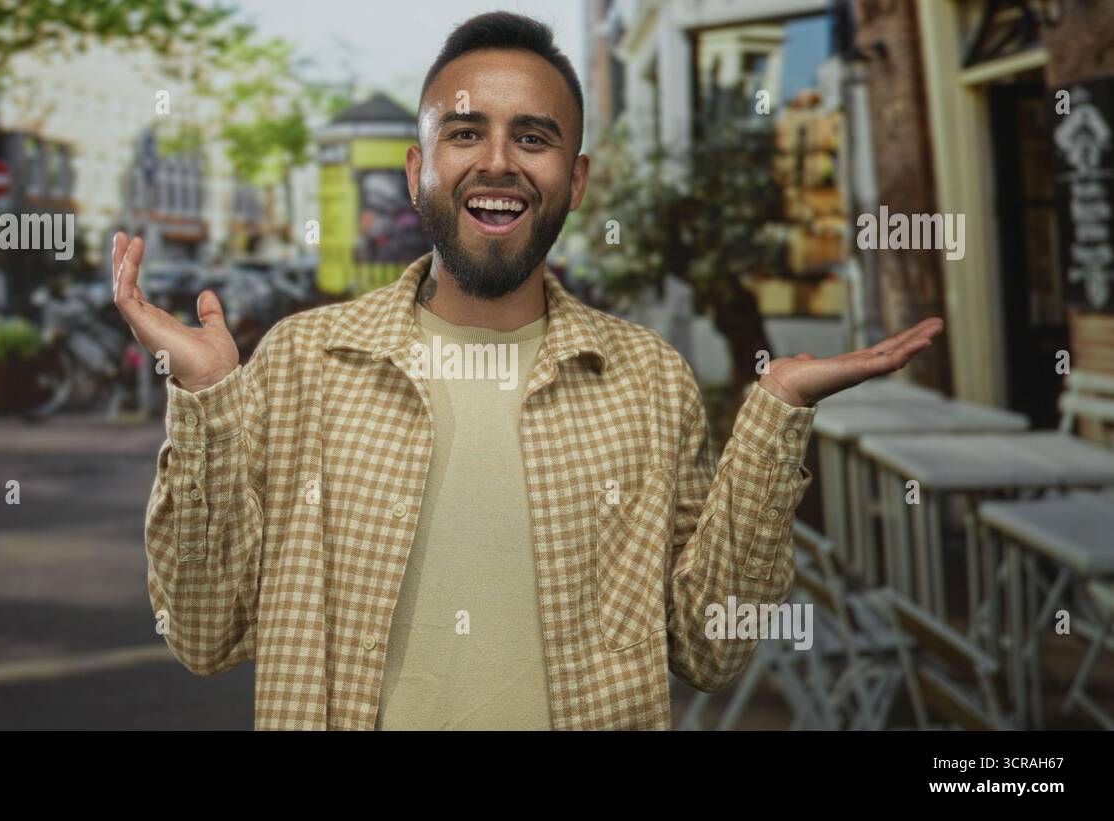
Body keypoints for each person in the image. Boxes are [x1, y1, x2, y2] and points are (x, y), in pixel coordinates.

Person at [112, 11, 942, 730]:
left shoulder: (649, 380)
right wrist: (208, 400)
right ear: (418, 171)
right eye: (465, 132)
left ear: (574, 180)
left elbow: (713, 649)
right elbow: (202, 631)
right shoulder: (301, 364)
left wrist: (775, 414)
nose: (499, 161)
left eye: (534, 137)